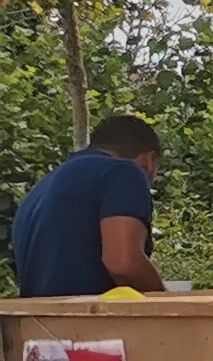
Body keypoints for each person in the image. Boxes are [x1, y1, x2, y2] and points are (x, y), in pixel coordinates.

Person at [10, 114, 162, 298]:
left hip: (35, 315)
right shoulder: (123, 172)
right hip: (91, 315)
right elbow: (123, 263)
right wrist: (166, 301)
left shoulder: (39, 190)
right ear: (148, 160)